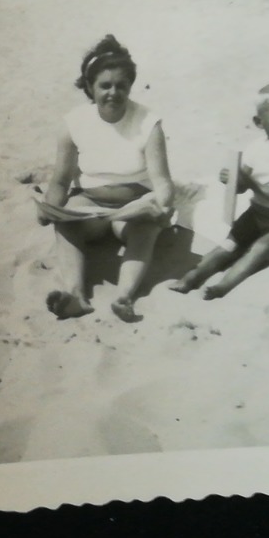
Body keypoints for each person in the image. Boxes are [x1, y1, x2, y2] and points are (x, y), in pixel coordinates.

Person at [35, 35, 174, 323]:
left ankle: (124, 296)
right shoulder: (74, 123)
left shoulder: (148, 122)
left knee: (145, 228)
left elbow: (162, 180)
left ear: (130, 87)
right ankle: (75, 295)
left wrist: (164, 204)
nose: (113, 92)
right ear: (90, 87)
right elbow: (61, 181)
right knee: (65, 222)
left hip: (133, 204)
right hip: (91, 205)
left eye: (121, 85)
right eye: (104, 86)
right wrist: (50, 209)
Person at [169, 83, 269, 299]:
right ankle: (192, 277)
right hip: (257, 214)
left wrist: (254, 184)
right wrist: (230, 180)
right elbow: (239, 188)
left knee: (261, 247)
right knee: (229, 244)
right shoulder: (256, 148)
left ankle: (223, 286)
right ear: (259, 122)